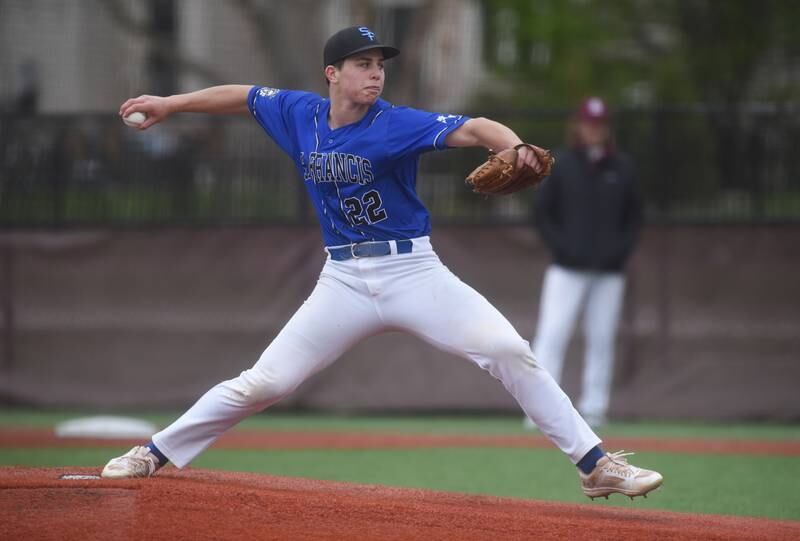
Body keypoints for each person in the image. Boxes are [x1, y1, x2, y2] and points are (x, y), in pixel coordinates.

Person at [102, 26, 661, 500]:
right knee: (264, 382)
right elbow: (243, 95)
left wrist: (512, 145)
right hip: (341, 280)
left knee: (508, 349)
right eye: (361, 64)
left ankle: (596, 466)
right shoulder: (299, 114)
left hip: (412, 272)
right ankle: (153, 453)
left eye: (379, 65)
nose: (375, 74)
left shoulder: (395, 122)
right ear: (331, 74)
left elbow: (472, 128)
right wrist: (170, 105)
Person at [526, 97, 643, 429]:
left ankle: (594, 408)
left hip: (609, 272)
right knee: (552, 334)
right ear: (578, 125)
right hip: (566, 268)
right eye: (589, 123)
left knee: (602, 339)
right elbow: (543, 214)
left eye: (599, 123)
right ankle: (540, 411)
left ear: (606, 127)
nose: (594, 129)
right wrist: (563, 248)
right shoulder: (562, 164)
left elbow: (633, 219)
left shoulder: (623, 167)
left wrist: (618, 253)